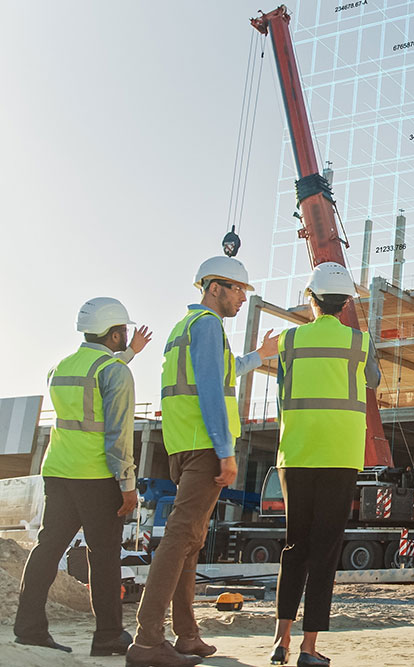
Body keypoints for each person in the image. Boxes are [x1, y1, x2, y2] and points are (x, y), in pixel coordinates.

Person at [127, 256, 278, 667]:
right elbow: (212, 390)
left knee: (189, 543)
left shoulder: (187, 327)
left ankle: (186, 635)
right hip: (205, 447)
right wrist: (226, 452)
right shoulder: (209, 326)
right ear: (215, 288)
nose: (243, 298)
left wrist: (259, 355)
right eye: (238, 289)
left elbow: (222, 373)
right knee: (179, 540)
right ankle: (147, 641)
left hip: (183, 446)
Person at [15, 297, 152, 656]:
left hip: (58, 472)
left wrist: (130, 354)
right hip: (97, 476)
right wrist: (127, 485)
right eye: (123, 331)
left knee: (48, 548)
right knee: (104, 555)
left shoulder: (59, 367)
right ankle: (108, 636)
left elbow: (96, 377)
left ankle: (28, 628)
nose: (126, 336)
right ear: (113, 333)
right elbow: (118, 436)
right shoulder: (116, 372)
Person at [269, 262, 379, 667]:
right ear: (347, 302)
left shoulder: (289, 340)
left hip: (295, 453)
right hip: (339, 455)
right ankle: (308, 648)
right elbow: (374, 380)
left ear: (311, 299)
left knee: (294, 545)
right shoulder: (359, 342)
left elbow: (284, 385)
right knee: (325, 551)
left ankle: (279, 641)